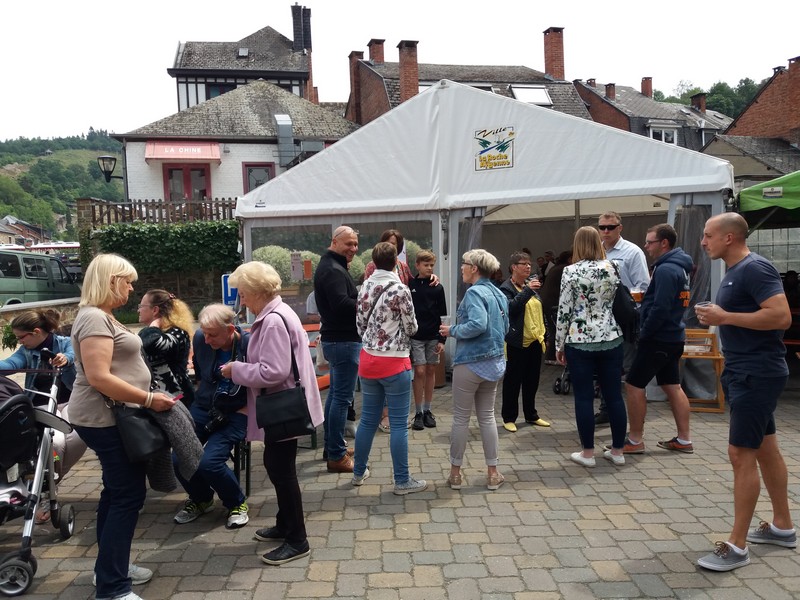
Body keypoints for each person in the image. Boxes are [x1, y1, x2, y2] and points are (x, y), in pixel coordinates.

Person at [69, 253, 177, 600]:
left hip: (110, 417)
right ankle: (113, 587)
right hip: (106, 419)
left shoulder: (100, 316)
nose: (131, 289)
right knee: (127, 496)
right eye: (127, 282)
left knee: (116, 493)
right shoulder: (94, 318)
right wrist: (148, 399)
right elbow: (99, 377)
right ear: (111, 280)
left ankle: (110, 570)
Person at [696, 213, 795, 572]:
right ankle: (783, 527)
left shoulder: (755, 268)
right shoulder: (735, 271)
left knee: (740, 453)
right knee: (765, 449)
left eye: (708, 235)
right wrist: (721, 317)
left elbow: (781, 317)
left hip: (756, 373)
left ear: (729, 237)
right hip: (747, 371)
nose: (703, 242)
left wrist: (725, 317)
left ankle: (737, 547)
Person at [223, 261, 324, 566]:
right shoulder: (277, 313)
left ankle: (297, 539)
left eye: (242, 293)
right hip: (284, 407)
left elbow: (274, 372)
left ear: (256, 291)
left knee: (281, 470)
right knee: (278, 466)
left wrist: (236, 370)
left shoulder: (272, 321)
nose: (241, 300)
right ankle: (285, 525)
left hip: (283, 408)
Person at [351, 242, 426, 494]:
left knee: (367, 421)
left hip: (368, 359)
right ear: (396, 261)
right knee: (398, 424)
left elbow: (360, 326)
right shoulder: (400, 289)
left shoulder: (364, 287)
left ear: (373, 262)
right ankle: (402, 480)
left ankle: (358, 472)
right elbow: (412, 327)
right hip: (394, 361)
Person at [0, 308, 87, 521]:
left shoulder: (65, 342)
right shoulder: (26, 352)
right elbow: (10, 365)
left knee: (80, 437)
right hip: (42, 403)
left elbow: (71, 354)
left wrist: (64, 359)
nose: (20, 342)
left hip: (73, 400)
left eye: (21, 337)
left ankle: (46, 483)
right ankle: (46, 491)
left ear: (36, 332)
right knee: (55, 443)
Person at [616, 224, 694, 455]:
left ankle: (635, 440)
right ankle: (684, 439)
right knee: (672, 386)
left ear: (664, 243)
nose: (646, 246)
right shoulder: (679, 267)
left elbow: (661, 307)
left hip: (658, 338)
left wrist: (645, 332)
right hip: (674, 336)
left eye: (650, 242)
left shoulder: (667, 269)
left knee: (633, 384)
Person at [171, 303, 250, 529]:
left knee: (209, 463)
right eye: (204, 333)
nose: (206, 340)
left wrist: (247, 408)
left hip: (236, 411)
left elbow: (261, 379)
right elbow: (200, 371)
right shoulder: (200, 338)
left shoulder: (248, 344)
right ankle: (201, 499)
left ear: (230, 329)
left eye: (212, 335)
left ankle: (237, 503)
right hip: (204, 407)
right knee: (178, 457)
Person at [555, 227, 627, 468]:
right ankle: (617, 451)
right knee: (614, 396)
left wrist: (558, 344)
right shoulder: (613, 267)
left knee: (584, 398)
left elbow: (564, 309)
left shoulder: (570, 271)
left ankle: (588, 453)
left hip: (580, 338)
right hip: (611, 336)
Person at [440, 249, 509, 491]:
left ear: (475, 268)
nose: (461, 267)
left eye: (464, 263)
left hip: (470, 362)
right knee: (487, 417)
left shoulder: (473, 292)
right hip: (494, 362)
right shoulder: (499, 293)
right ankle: (493, 473)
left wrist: (452, 331)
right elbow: (505, 327)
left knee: (461, 418)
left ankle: (455, 474)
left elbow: (478, 324)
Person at [594, 211, 650, 425]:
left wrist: (622, 301)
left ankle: (632, 418)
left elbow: (643, 287)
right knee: (604, 368)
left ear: (620, 228)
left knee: (626, 369)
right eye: (602, 227)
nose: (606, 231)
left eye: (610, 227)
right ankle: (606, 410)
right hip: (601, 320)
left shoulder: (632, 252)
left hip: (624, 320)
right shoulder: (596, 251)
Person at [314, 225, 360, 473]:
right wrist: (367, 300)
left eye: (355, 244)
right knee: (341, 398)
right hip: (343, 341)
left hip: (338, 340)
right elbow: (341, 304)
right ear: (334, 241)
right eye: (348, 244)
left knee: (335, 397)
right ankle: (336, 456)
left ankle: (333, 447)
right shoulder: (332, 269)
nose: (353, 248)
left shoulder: (333, 265)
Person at [499, 251, 549, 432]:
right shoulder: (506, 288)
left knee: (532, 380)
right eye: (524, 264)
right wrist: (528, 290)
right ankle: (509, 417)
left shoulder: (530, 286)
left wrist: (546, 334)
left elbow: (539, 311)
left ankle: (531, 414)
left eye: (529, 264)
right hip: (517, 341)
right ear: (514, 267)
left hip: (535, 340)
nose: (528, 267)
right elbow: (511, 308)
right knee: (513, 381)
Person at [408, 249, 447, 431]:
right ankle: (417, 412)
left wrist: (442, 339)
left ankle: (427, 410)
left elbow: (443, 315)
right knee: (420, 371)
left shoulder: (438, 287)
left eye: (432, 265)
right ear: (417, 265)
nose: (429, 268)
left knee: (431, 369)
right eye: (426, 265)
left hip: (433, 336)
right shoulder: (410, 285)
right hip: (416, 336)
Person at [138, 289, 195, 407]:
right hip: (157, 398)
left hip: (177, 399)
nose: (138, 310)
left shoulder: (178, 333)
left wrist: (154, 326)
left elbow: (152, 344)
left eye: (141, 306)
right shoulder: (149, 332)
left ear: (155, 310)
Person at [539, 250, 571, 365]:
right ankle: (552, 357)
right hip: (553, 301)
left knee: (553, 328)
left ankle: (551, 356)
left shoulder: (556, 268)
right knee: (556, 328)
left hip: (547, 300)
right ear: (569, 259)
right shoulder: (565, 269)